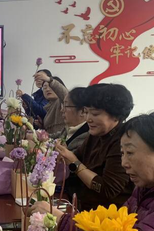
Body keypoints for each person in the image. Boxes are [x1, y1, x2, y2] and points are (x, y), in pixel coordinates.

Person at [57, 83, 134, 211]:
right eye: (86, 112)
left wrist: (74, 163)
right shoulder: (96, 135)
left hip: (107, 215)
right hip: (85, 207)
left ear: (115, 115)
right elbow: (77, 157)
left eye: (95, 114)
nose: (88, 119)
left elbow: (107, 189)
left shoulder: (122, 142)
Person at [33, 71, 67, 136]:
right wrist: (42, 127)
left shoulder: (63, 101)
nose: (47, 89)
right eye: (44, 87)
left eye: (50, 86)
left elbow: (66, 95)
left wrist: (49, 80)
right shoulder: (47, 108)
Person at [60, 87, 89, 152]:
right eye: (62, 105)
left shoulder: (87, 137)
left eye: (66, 106)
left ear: (82, 111)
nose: (62, 110)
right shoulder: (68, 129)